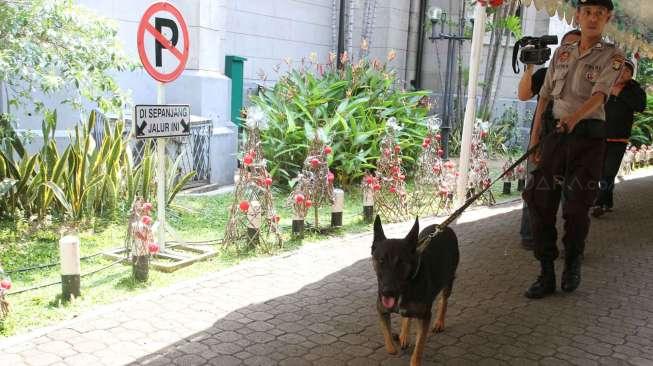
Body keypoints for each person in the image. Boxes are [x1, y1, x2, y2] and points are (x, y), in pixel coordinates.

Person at [523, 0, 625, 299]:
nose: (592, 18)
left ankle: (573, 261)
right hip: (555, 135)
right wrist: (534, 142)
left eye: (599, 14)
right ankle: (545, 271)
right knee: (540, 201)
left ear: (607, 18)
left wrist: (574, 118)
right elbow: (543, 99)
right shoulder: (563, 52)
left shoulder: (612, 56)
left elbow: (599, 97)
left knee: (577, 208)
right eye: (587, 12)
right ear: (578, 16)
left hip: (588, 140)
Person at [517, 30, 582, 250]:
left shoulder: (590, 78)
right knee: (535, 191)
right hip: (543, 141)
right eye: (566, 46)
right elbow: (524, 95)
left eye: (576, 46)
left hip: (574, 145)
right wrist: (529, 67)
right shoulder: (547, 73)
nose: (570, 50)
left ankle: (568, 244)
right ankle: (529, 236)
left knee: (571, 196)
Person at [591, 60, 646, 217]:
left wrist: (619, 93)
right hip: (600, 136)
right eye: (620, 70)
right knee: (601, 172)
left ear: (631, 74)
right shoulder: (605, 84)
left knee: (609, 172)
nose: (623, 73)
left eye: (627, 71)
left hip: (619, 139)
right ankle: (606, 202)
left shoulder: (634, 89)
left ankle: (599, 204)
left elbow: (640, 106)